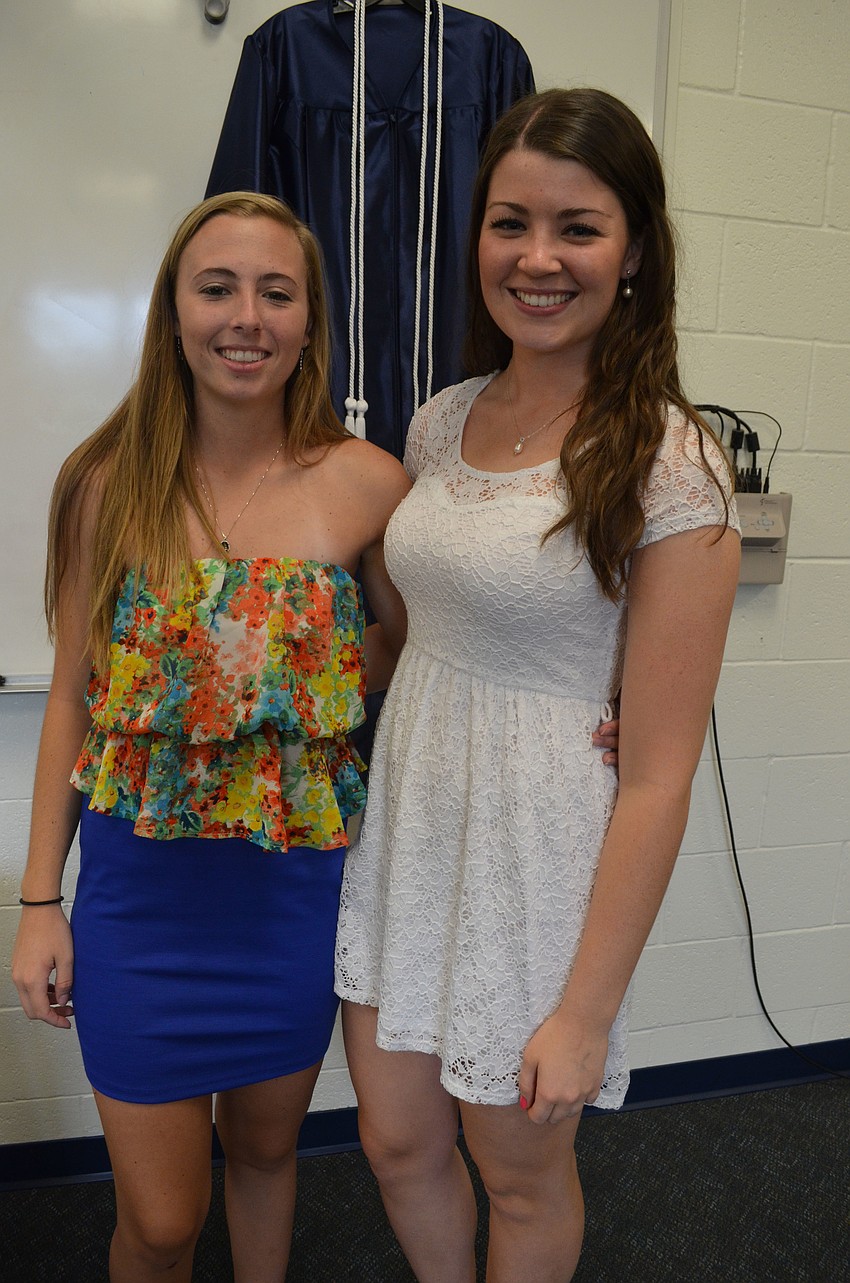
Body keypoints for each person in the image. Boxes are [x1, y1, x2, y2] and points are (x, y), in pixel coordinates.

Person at [334, 87, 741, 1282]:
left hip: (539, 864)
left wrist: (583, 1009)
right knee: (394, 1137)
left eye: (577, 226)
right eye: (510, 222)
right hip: (408, 836)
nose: (538, 256)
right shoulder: (439, 419)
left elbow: (660, 775)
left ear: (634, 253)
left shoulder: (673, 459)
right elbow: (412, 639)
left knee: (519, 1171)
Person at [11, 191, 410, 1283]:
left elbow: (435, 659)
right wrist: (40, 898)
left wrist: (601, 702)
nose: (247, 316)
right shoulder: (106, 485)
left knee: (271, 1151)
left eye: (276, 292)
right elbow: (72, 697)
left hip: (293, 897)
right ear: (173, 312)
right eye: (218, 287)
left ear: (309, 319)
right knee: (161, 1218)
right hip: (142, 908)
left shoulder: (371, 485)